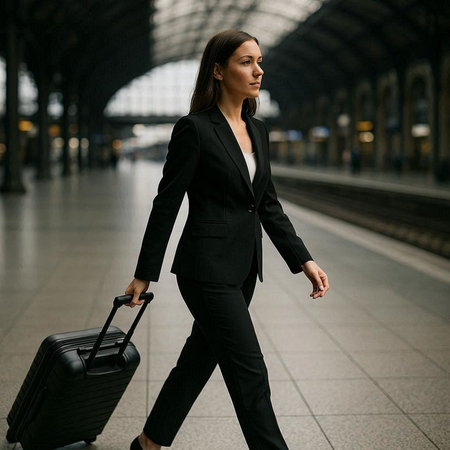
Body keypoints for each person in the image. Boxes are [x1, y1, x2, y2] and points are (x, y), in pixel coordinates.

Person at [125, 29, 329, 450]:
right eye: (246, 62)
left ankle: (147, 443)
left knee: (198, 360)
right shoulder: (194, 129)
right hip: (205, 269)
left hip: (243, 270)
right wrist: (145, 274)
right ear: (218, 71)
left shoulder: (258, 130)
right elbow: (166, 204)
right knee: (249, 371)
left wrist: (303, 260)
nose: (258, 70)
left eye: (259, 61)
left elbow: (266, 204)